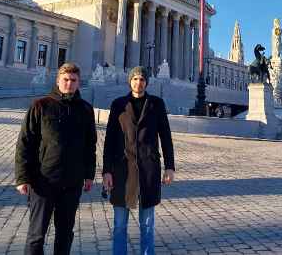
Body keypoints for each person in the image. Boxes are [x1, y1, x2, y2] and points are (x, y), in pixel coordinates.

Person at [15, 63, 97, 255]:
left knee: (65, 233)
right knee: (36, 235)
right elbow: (25, 143)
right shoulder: (40, 105)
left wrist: (89, 175)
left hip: (72, 182)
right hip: (43, 181)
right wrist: (22, 178)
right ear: (58, 80)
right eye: (66, 79)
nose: (69, 83)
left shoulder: (85, 109)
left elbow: (90, 145)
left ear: (79, 83)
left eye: (73, 80)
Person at [103, 66, 175, 255]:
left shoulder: (156, 104)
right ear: (130, 81)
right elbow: (109, 139)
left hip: (147, 169)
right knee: (119, 225)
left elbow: (166, 136)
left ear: (146, 83)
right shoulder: (118, 104)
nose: (138, 82)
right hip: (122, 171)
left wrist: (170, 167)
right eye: (135, 78)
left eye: (142, 79)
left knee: (148, 225)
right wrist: (106, 171)